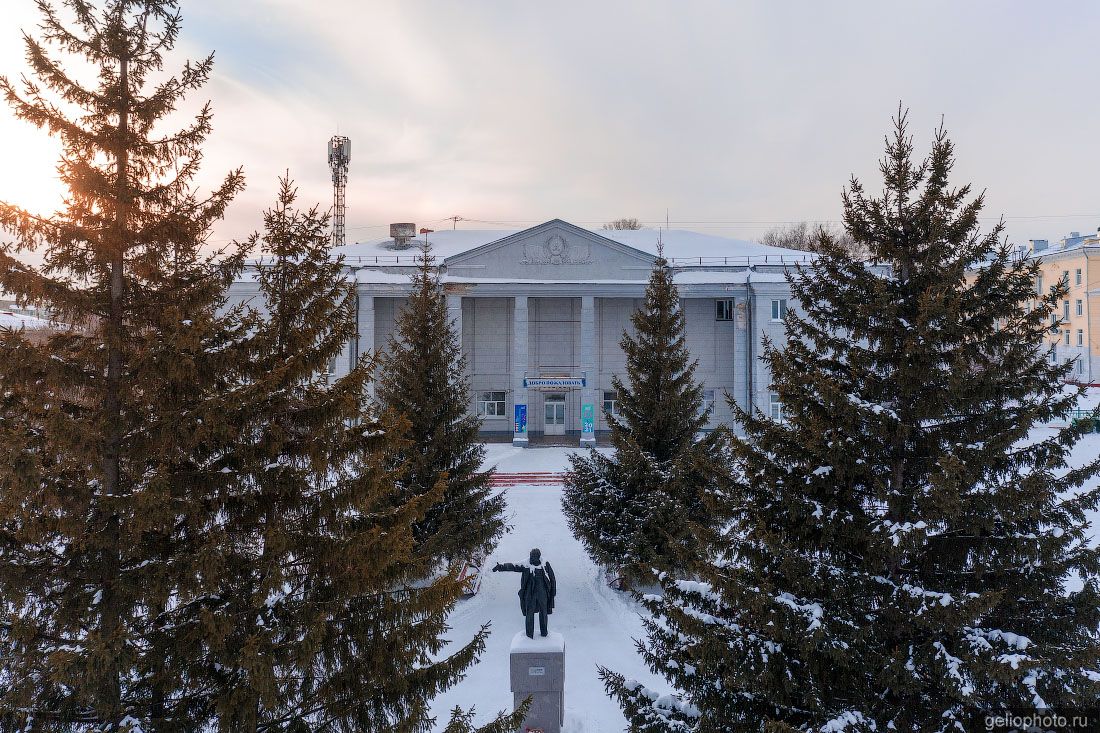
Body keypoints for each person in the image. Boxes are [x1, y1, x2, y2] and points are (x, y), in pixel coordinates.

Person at [493, 548, 556, 638]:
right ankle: (529, 635)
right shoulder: (526, 564)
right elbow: (513, 566)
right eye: (531, 557)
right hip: (530, 594)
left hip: (543, 593)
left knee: (543, 613)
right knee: (529, 613)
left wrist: (553, 592)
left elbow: (552, 578)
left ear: (538, 557)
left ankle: (544, 633)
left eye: (534, 557)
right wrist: (501, 567)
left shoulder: (545, 564)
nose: (532, 559)